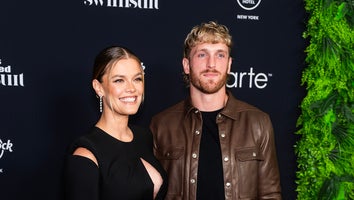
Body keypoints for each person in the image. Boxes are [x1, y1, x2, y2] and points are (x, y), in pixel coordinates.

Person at [150, 21, 282, 199]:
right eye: (202, 54)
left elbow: (270, 194)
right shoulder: (161, 124)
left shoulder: (258, 122)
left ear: (229, 65)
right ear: (186, 65)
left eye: (220, 55)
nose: (211, 64)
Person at [64, 46, 167, 200]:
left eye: (137, 79)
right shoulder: (86, 155)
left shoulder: (143, 136)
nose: (131, 88)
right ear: (99, 88)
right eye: (119, 80)